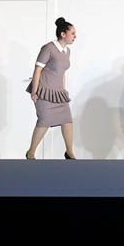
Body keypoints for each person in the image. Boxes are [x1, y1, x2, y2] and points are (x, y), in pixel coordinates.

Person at [25, 17, 77, 160]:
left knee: (67, 120)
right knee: (44, 120)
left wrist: (63, 89)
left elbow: (62, 72)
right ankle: (31, 152)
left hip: (58, 92)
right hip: (44, 91)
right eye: (72, 33)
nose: (75, 36)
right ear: (63, 34)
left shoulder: (67, 51)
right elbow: (37, 70)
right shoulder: (48, 48)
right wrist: (34, 91)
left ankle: (69, 152)